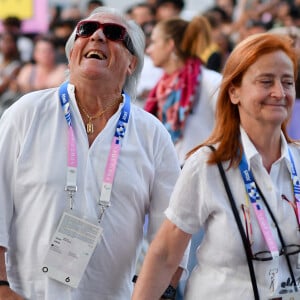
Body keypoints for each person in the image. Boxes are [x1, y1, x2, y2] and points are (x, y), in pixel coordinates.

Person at [0, 6, 187, 300]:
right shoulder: (26, 113)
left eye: (113, 34)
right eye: (86, 30)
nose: (97, 36)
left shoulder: (152, 135)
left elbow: (171, 236)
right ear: (73, 50)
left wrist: (156, 295)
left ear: (132, 63)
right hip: (27, 294)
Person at [132, 32, 300, 300]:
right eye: (266, 81)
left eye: (287, 82)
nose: (279, 92)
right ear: (234, 92)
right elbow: (165, 253)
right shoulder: (207, 165)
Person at [144, 17, 222, 166]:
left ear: (170, 45)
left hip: (204, 171)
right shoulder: (162, 87)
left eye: (154, 42)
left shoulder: (211, 82)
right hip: (169, 171)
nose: (149, 49)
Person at [0, 32, 22, 116]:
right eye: (4, 41)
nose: (6, 44)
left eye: (9, 41)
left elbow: (2, 87)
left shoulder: (17, 65)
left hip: (5, 102)